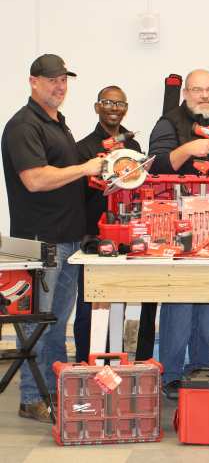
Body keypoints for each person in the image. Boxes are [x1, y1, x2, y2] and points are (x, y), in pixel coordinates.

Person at [1, 54, 103, 421]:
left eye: (63, 80)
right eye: (51, 80)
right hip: (43, 242)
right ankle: (31, 399)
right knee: (37, 326)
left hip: (69, 240)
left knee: (58, 324)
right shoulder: (23, 126)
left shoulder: (58, 123)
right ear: (33, 81)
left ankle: (53, 392)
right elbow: (35, 179)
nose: (59, 86)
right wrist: (84, 168)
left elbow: (64, 176)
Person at [148, 69, 209, 398]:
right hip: (176, 226)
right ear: (185, 92)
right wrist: (188, 150)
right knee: (180, 305)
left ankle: (203, 371)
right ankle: (170, 375)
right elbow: (153, 165)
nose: (205, 96)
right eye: (198, 90)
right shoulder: (168, 123)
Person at [74, 85, 142, 363]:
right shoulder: (83, 148)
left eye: (120, 104)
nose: (114, 108)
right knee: (88, 305)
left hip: (126, 235)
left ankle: (114, 363)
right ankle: (83, 363)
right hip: (93, 235)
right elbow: (78, 193)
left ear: (125, 108)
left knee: (118, 304)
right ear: (97, 107)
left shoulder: (134, 147)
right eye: (108, 103)